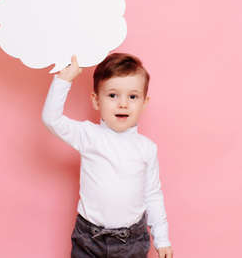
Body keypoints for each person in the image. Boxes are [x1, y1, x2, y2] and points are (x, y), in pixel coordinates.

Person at [42, 53, 173, 258]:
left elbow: (153, 195)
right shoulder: (88, 135)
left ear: (144, 102)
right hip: (88, 238)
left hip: (132, 241)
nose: (123, 104)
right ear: (96, 100)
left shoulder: (147, 148)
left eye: (132, 96)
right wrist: (64, 79)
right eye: (113, 95)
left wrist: (162, 239)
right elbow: (51, 119)